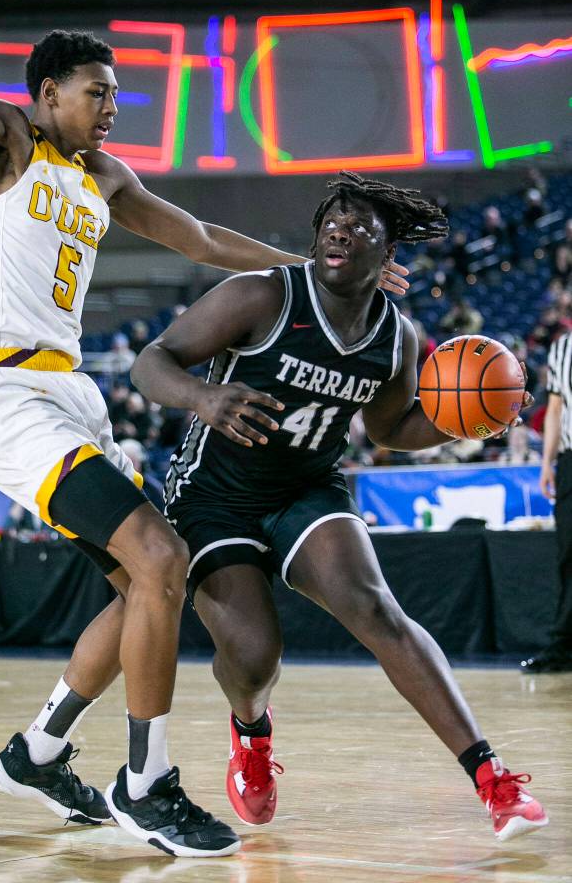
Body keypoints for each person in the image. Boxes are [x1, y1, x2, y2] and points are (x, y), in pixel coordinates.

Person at [0, 0, 409, 857]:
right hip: (3, 392)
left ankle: (39, 750)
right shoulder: (9, 144)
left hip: (68, 391)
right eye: (97, 93)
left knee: (145, 589)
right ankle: (147, 781)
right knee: (162, 559)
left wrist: (307, 267)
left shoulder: (104, 175)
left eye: (116, 95)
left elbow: (200, 236)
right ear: (46, 94)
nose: (111, 107)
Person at [132, 171, 548, 843]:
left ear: (389, 255)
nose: (340, 229)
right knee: (257, 654)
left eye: (359, 225)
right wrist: (202, 399)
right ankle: (250, 734)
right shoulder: (262, 296)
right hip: (216, 497)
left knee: (378, 610)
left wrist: (460, 422)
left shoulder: (398, 337)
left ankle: (492, 779)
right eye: (332, 220)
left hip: (307, 486)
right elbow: (152, 362)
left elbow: (388, 430)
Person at [521, 329, 572, 673]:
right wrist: (547, 463)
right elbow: (554, 409)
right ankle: (563, 647)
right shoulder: (563, 348)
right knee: (568, 553)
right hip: (570, 459)